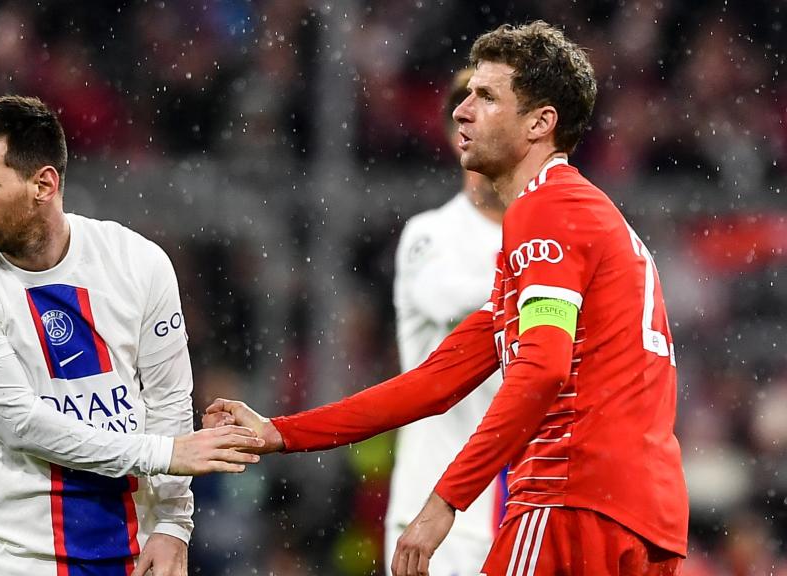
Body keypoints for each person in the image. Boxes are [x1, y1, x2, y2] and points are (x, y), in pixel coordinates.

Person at [206, 21, 688, 576]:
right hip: (643, 519)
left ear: (540, 122)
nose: (462, 111)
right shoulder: (578, 221)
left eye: (486, 97)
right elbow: (434, 383)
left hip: (569, 501)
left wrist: (443, 503)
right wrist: (280, 432)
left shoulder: (547, 209)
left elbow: (542, 369)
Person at [0, 95, 264, 576]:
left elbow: (168, 400)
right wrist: (164, 454)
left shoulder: (139, 263)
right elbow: (20, 422)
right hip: (9, 559)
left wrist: (171, 526)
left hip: (129, 554)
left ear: (43, 184)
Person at [387, 67, 506, 576]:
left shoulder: (546, 236)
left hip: (524, 501)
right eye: (467, 111)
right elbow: (448, 300)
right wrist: (555, 277)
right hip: (437, 512)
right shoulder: (429, 234)